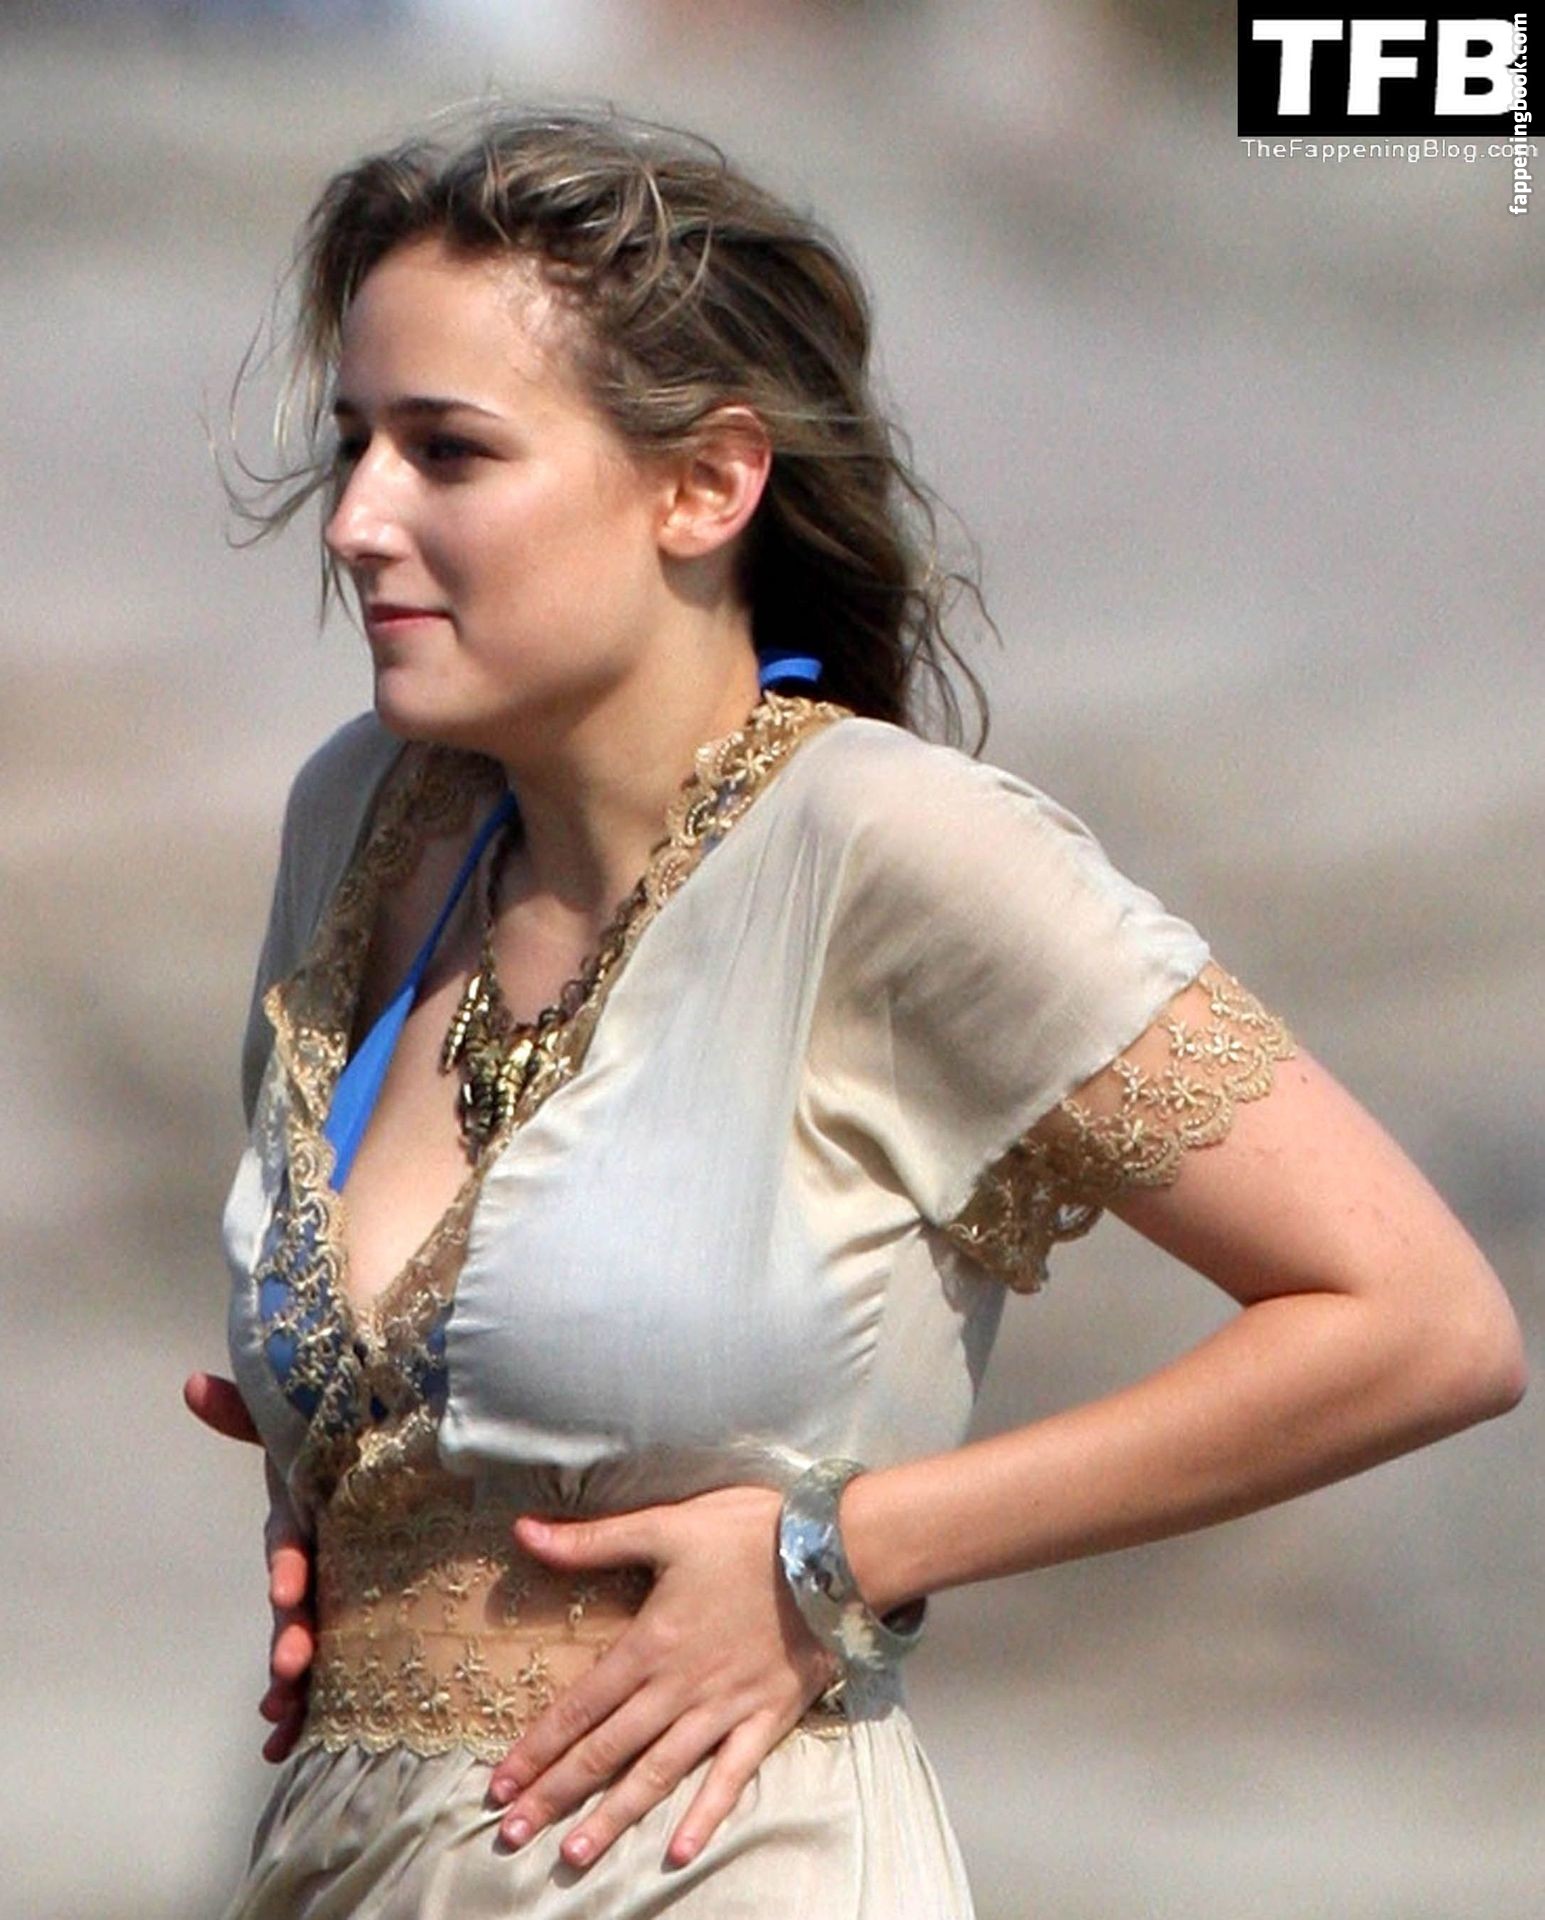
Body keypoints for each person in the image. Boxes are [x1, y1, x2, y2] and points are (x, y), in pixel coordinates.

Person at [185, 105, 1526, 1918]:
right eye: (355, 441)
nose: (358, 519)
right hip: (346, 1864)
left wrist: (837, 1556)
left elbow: (1420, 1323)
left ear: (705, 484)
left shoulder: (892, 847)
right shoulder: (361, 818)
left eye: (449, 451)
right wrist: (340, 1467)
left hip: (719, 1867)